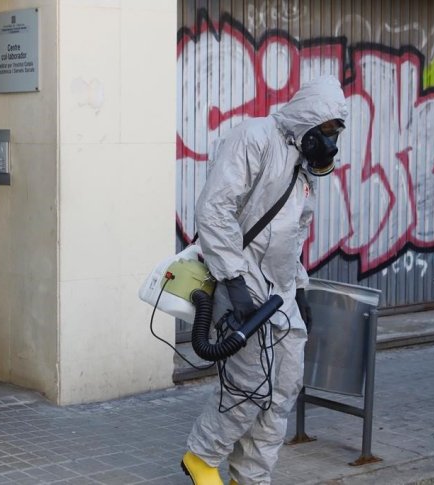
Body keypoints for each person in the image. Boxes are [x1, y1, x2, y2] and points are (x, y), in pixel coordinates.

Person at [181, 75, 348, 485]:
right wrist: (234, 281)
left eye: (334, 132)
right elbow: (214, 209)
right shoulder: (254, 138)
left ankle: (251, 478)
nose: (327, 141)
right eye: (323, 130)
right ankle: (201, 458)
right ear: (308, 119)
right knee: (249, 384)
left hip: (282, 292)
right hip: (242, 281)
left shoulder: (305, 168)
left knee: (283, 389)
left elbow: (295, 233)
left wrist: (301, 287)